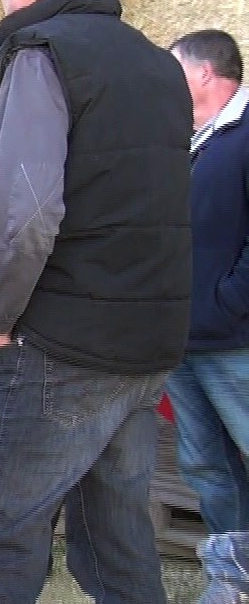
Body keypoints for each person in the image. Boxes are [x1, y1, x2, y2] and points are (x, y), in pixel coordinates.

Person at [0, 0, 192, 603]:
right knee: (118, 545)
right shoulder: (160, 66)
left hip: (56, 346)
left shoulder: (41, 54)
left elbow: (26, 215)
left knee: (0, 545)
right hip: (144, 343)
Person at [167, 29, 249, 536]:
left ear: (204, 73)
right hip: (181, 338)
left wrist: (225, 303)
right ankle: (234, 567)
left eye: (173, 70)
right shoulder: (189, 141)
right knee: (205, 465)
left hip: (235, 338)